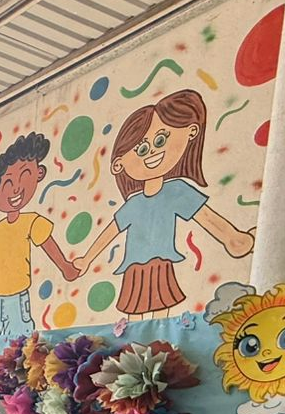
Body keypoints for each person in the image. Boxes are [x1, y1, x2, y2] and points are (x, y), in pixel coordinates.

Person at [76, 88, 253, 318]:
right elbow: (111, 232)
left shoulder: (177, 191)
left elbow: (206, 218)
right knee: (135, 314)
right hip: (133, 268)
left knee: (161, 313)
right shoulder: (134, 204)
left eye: (161, 140)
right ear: (119, 164)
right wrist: (86, 259)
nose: (152, 152)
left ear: (191, 132)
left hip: (161, 263)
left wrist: (232, 237)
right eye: (141, 149)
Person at [0, 133, 79, 338]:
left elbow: (47, 243)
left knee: (20, 340)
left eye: (25, 175)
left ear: (39, 173)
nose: (17, 188)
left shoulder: (31, 221)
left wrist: (65, 267)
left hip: (18, 297)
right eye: (8, 182)